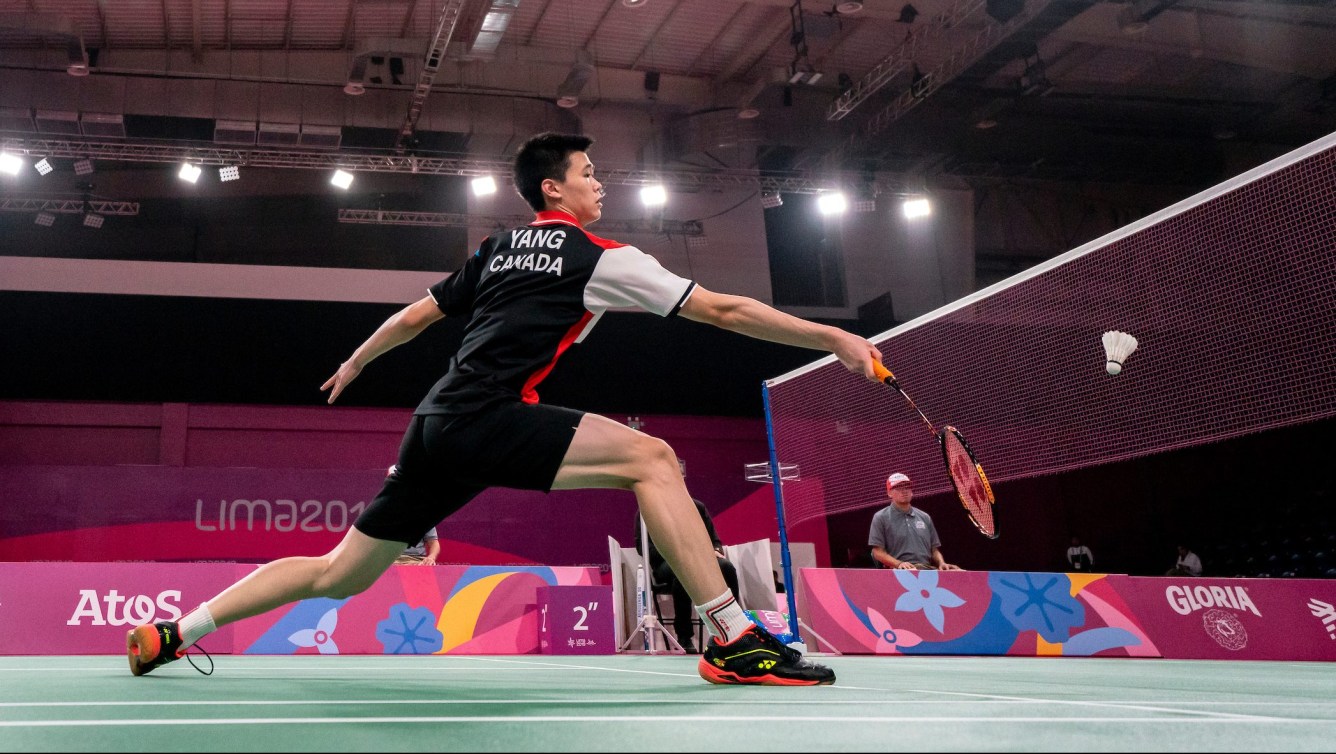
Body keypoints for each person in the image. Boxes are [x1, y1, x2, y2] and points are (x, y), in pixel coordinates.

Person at [126, 131, 884, 686]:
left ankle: (175, 631)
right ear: (554, 189)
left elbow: (416, 316)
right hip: (488, 414)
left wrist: (358, 360)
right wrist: (832, 338)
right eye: (589, 174)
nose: (600, 186)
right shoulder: (600, 257)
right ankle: (732, 637)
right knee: (654, 459)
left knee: (337, 573)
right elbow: (720, 309)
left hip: (434, 424)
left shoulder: (496, 248)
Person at [634, 498, 740, 653]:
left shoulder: (697, 507)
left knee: (727, 567)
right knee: (684, 571)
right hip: (666, 563)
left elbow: (715, 540)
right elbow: (642, 547)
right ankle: (684, 635)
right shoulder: (647, 510)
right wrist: (675, 554)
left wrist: (716, 551)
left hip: (699, 560)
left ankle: (734, 628)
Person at [868, 472, 962, 571]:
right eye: (898, 488)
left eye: (907, 487)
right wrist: (899, 564)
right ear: (889, 493)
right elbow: (877, 552)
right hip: (898, 571)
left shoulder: (924, 517)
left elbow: (934, 550)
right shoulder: (881, 517)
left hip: (926, 569)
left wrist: (942, 563)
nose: (904, 491)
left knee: (959, 573)